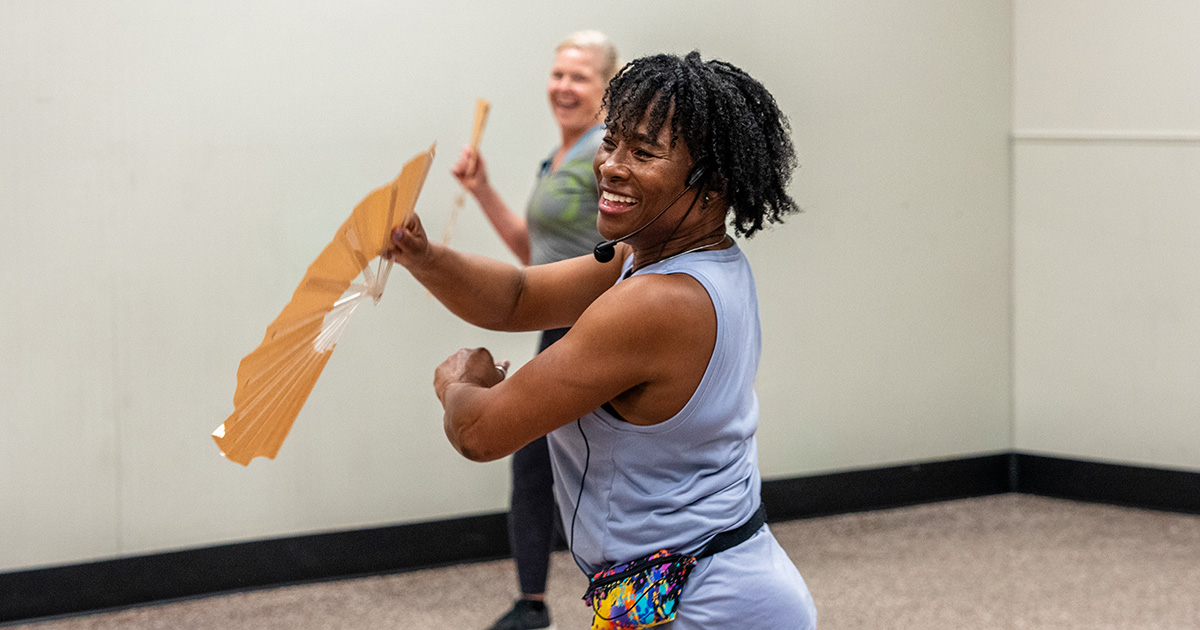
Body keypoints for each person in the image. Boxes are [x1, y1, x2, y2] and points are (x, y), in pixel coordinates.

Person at [389, 51, 817, 629]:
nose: (611, 166)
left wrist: (459, 381)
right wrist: (423, 254)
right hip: (677, 590)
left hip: (712, 607)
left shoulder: (656, 303)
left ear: (711, 186)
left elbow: (480, 432)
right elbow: (516, 295)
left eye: (642, 153)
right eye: (610, 143)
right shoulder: (664, 260)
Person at [449, 31, 619, 630]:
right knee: (538, 462)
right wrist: (482, 190)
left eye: (579, 76)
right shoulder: (558, 158)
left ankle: (594, 601)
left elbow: (631, 241)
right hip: (558, 325)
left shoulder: (605, 152)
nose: (564, 86)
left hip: (596, 324)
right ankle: (533, 602)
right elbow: (532, 253)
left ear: (606, 87)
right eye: (558, 74)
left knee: (595, 464)